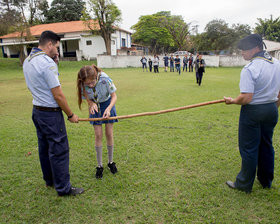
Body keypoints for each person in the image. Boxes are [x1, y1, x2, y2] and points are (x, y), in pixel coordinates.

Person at [23, 30, 84, 196]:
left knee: (44, 148)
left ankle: (49, 180)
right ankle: (63, 188)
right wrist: (71, 115)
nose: (57, 51)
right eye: (56, 47)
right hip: (50, 114)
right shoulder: (46, 63)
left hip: (37, 111)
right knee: (59, 150)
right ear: (49, 44)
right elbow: (58, 94)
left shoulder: (28, 60)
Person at [224, 34, 280, 193]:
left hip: (254, 111)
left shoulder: (250, 68)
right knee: (266, 145)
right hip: (271, 109)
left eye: (245, 50)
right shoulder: (277, 64)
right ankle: (265, 181)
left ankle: (243, 184)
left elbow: (246, 98)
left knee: (249, 148)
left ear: (256, 49)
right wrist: (274, 106)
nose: (242, 53)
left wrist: (232, 101)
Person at [77, 65, 118, 179]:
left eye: (92, 82)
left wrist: (108, 109)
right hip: (95, 106)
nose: (90, 85)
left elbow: (114, 96)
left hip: (107, 104)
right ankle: (99, 166)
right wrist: (91, 103)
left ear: (96, 76)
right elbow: (85, 95)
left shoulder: (104, 78)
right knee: (98, 135)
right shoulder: (83, 83)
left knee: (109, 134)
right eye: (87, 84)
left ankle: (110, 162)